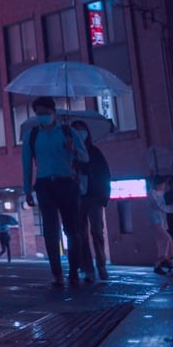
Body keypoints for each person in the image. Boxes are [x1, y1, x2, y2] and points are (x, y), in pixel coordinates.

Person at [22, 97, 88, 288]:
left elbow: (85, 156)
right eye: (39, 114)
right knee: (50, 230)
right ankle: (57, 273)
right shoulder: (32, 135)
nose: (42, 117)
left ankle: (74, 271)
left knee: (72, 229)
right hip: (44, 184)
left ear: (54, 112)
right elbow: (26, 164)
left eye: (45, 113)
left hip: (67, 182)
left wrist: (73, 149)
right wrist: (27, 190)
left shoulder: (68, 132)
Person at [72, 120, 112, 282]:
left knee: (97, 231)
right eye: (76, 131)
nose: (80, 133)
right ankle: (88, 267)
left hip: (95, 196)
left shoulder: (94, 152)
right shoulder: (70, 152)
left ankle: (101, 265)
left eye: (82, 130)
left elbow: (104, 174)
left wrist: (104, 197)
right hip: (78, 197)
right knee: (81, 233)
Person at [148, 175, 173, 274]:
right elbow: (160, 207)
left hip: (161, 221)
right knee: (166, 240)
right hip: (156, 221)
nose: (164, 186)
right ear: (159, 184)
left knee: (163, 242)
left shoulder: (160, 193)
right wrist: (172, 208)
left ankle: (164, 262)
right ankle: (161, 263)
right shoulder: (152, 194)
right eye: (163, 184)